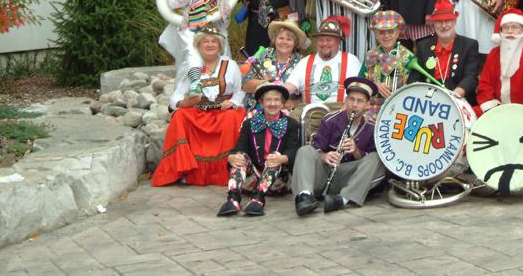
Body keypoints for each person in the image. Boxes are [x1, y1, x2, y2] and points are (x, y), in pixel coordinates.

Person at [153, 27, 246, 187]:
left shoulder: (230, 65)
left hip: (223, 112)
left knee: (233, 116)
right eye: (205, 41)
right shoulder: (192, 66)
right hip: (199, 112)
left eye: (214, 41)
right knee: (180, 116)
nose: (210, 45)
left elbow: (241, 90)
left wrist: (233, 103)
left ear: (220, 45)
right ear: (198, 45)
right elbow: (175, 97)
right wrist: (185, 103)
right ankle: (184, 170)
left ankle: (229, 168)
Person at [292, 77, 388, 215]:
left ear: (367, 105)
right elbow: (316, 147)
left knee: (377, 158)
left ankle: (342, 200)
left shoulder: (372, 128)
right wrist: (324, 155)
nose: (354, 105)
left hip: (352, 179)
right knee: (305, 150)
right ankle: (304, 196)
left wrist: (356, 151)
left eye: (359, 101)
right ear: (346, 100)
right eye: (351, 99)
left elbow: (370, 162)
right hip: (325, 174)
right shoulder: (330, 120)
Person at [218, 82, 300, 216]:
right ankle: (233, 198)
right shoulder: (249, 123)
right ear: (261, 103)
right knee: (240, 156)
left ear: (282, 103)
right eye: (268, 99)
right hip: (252, 181)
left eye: (276, 100)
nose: (272, 103)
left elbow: (293, 150)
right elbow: (240, 147)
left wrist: (282, 158)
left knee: (274, 156)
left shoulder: (291, 124)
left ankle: (258, 199)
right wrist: (231, 156)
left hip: (279, 181)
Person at [407, 0, 481, 105]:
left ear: (455, 21)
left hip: (459, 101)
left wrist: (453, 97)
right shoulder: (423, 46)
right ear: (433, 24)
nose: (443, 25)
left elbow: (471, 77)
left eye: (447, 21)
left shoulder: (469, 45)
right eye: (439, 22)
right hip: (429, 102)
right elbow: (415, 77)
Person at [476, 10, 523, 115]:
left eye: (514, 27)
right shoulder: (494, 54)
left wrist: (518, 115)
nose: (510, 31)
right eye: (506, 27)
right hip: (496, 110)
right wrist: (494, 110)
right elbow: (485, 85)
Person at [284, 16, 361, 105]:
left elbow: (358, 91)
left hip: (341, 112)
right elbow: (289, 86)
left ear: (338, 41)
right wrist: (276, 94)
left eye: (329, 40)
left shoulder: (351, 61)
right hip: (310, 113)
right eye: (321, 40)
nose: (324, 43)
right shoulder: (305, 62)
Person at [240, 20, 309, 113]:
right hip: (259, 109)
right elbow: (245, 85)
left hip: (288, 112)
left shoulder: (302, 62)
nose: (284, 42)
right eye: (281, 38)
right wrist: (265, 83)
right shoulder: (264, 55)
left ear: (295, 43)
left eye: (289, 39)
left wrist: (295, 102)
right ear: (275, 39)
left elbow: (309, 92)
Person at [363, 10, 416, 121]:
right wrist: (374, 85)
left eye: (391, 32)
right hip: (371, 110)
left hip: (399, 109)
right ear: (376, 34)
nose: (386, 36)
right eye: (381, 32)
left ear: (397, 33)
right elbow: (360, 83)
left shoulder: (408, 57)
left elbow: (414, 88)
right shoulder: (370, 55)